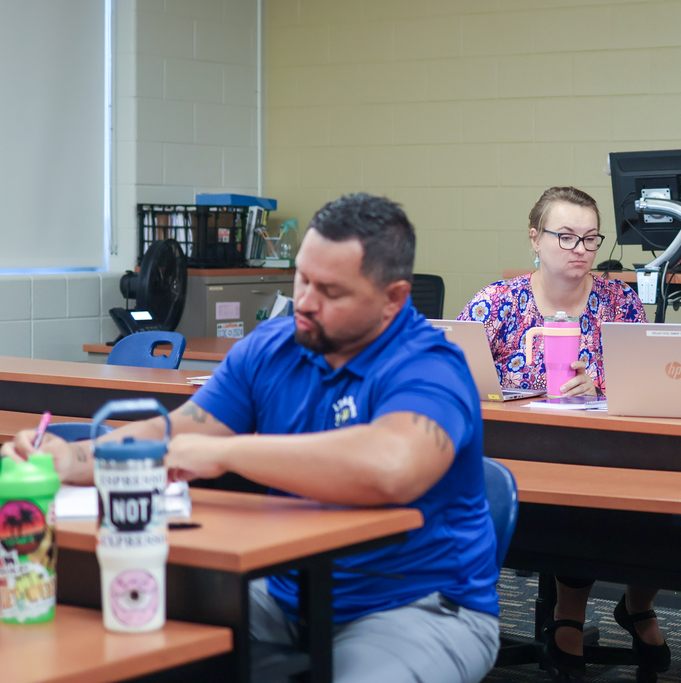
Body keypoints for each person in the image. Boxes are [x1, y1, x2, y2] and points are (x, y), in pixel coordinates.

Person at [1, 193, 501, 683]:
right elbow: (176, 432)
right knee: (123, 637)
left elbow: (392, 467)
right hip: (286, 593)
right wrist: (72, 457)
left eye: (331, 291)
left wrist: (225, 452)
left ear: (393, 298)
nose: (304, 301)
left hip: (419, 606)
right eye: (303, 278)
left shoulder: (430, 366)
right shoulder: (273, 347)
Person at [459, 187, 666, 682]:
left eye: (591, 239)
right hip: (510, 454)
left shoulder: (620, 303)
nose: (580, 250)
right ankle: (561, 618)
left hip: (598, 454)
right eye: (566, 237)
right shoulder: (496, 304)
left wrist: (601, 386)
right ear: (535, 237)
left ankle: (574, 615)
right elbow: (450, 378)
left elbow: (647, 388)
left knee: (645, 493)